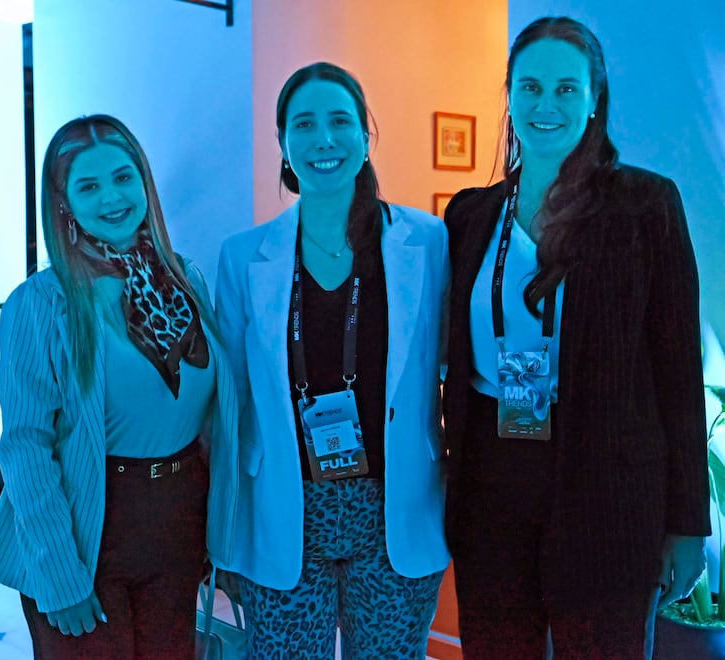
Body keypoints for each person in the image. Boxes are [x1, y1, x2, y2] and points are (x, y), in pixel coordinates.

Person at [443, 16, 710, 659]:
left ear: (594, 99)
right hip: (491, 490)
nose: (546, 105)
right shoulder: (469, 215)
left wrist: (688, 523)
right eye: (530, 87)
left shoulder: (646, 205)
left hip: (610, 491)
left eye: (567, 89)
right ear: (508, 94)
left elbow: (678, 371)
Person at [0, 114, 238, 659]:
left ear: (144, 181)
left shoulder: (185, 278)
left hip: (177, 524)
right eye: (88, 185)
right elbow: (26, 447)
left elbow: (213, 416)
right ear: (64, 203)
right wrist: (59, 575)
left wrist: (224, 533)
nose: (112, 197)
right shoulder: (42, 302)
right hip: (86, 531)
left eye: (123, 177)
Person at [211, 62, 450, 658]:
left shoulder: (426, 241)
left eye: (341, 121)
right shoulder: (244, 258)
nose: (324, 139)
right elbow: (230, 405)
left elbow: (453, 363)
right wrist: (226, 537)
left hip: (394, 507)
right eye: (305, 123)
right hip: (286, 511)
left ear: (366, 136)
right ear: (283, 143)